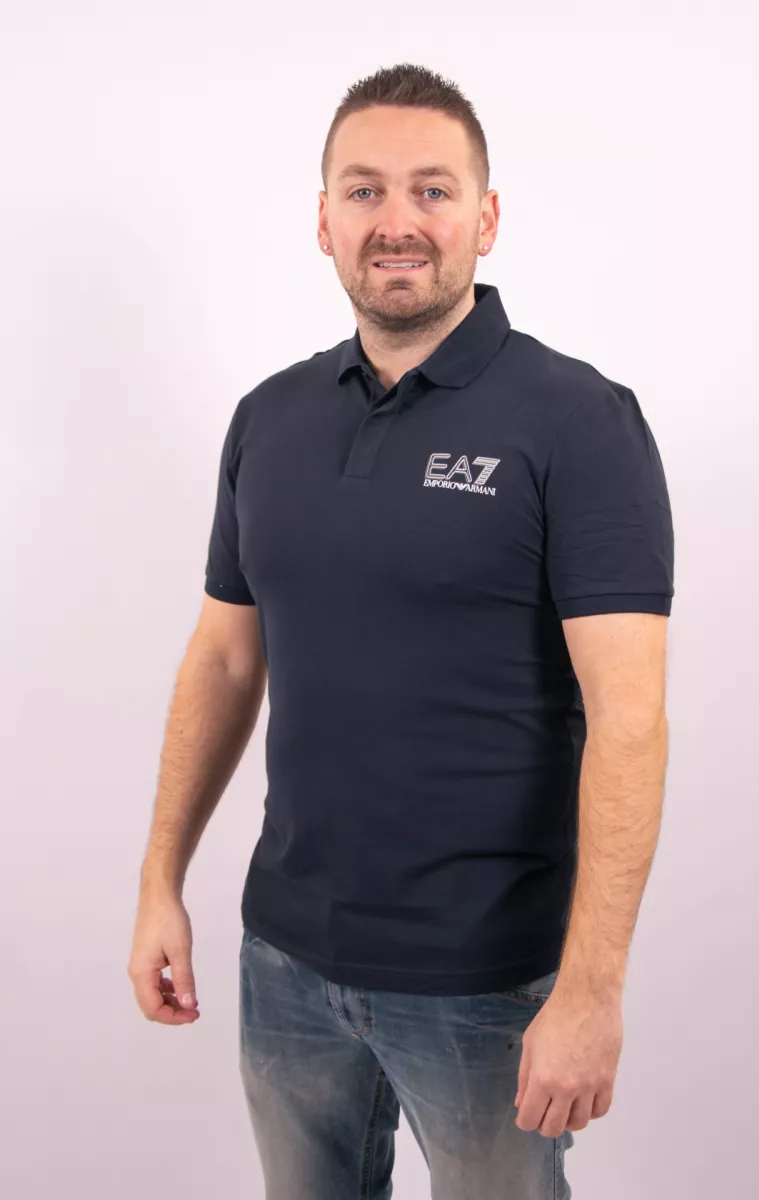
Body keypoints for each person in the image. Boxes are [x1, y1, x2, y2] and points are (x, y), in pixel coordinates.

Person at [128, 61, 674, 1199]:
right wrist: (158, 879)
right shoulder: (269, 419)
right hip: (283, 960)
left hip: (485, 978)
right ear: (322, 221)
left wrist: (591, 991)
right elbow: (223, 658)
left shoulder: (578, 421)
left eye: (432, 189)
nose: (397, 222)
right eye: (364, 190)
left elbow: (628, 719)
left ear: (486, 217)